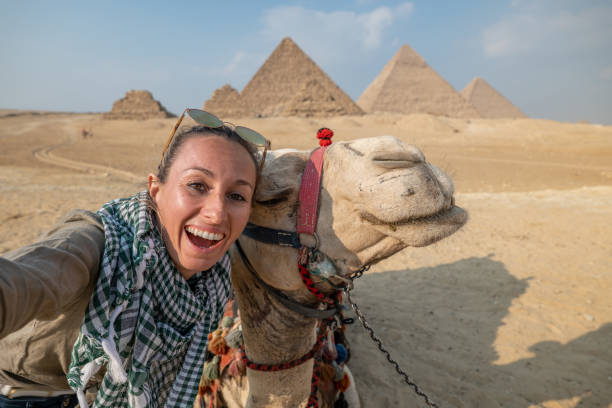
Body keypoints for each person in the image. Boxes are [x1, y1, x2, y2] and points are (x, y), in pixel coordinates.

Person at [0, 109, 270, 408]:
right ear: (155, 189)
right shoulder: (101, 247)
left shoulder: (216, 279)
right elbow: (28, 280)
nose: (217, 213)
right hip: (18, 396)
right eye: (197, 185)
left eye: (237, 196)